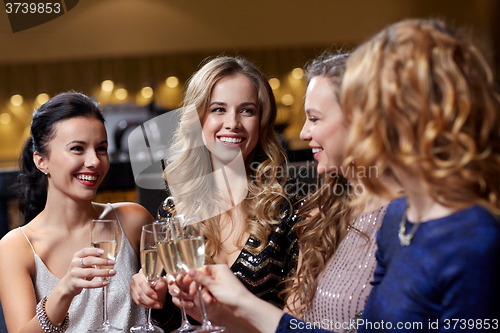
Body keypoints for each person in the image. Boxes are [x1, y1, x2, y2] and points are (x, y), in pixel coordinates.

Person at [180, 19, 500, 333]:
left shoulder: (474, 238)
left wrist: (243, 302)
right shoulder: (400, 219)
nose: (304, 133)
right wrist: (229, 311)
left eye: (368, 109)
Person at [129, 56, 306, 332]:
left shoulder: (290, 211)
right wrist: (156, 298)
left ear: (261, 121)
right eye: (218, 109)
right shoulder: (173, 211)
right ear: (198, 120)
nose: (233, 123)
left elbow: (296, 326)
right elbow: (171, 325)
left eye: (247, 111)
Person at [0, 92, 154, 333]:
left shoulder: (134, 220)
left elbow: (174, 309)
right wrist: (65, 289)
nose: (94, 161)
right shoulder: (16, 247)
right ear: (42, 161)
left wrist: (159, 293)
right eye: (77, 149)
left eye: (101, 149)